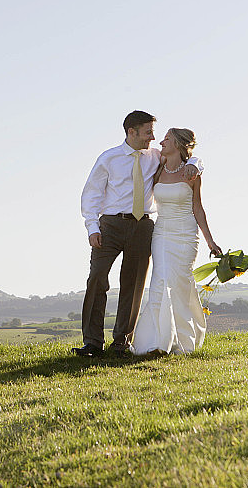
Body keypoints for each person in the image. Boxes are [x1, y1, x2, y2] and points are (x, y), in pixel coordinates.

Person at [75, 111, 204, 357]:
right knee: (97, 278)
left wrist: (195, 163)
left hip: (143, 226)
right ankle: (92, 343)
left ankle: (122, 343)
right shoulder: (108, 158)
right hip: (110, 226)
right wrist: (92, 227)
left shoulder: (156, 157)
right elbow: (91, 194)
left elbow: (189, 157)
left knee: (133, 285)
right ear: (131, 132)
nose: (153, 138)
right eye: (148, 132)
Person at [131, 128, 221, 355]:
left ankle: (182, 341)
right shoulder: (158, 166)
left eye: (167, 139)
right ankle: (156, 343)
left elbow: (198, 208)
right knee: (160, 281)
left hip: (186, 234)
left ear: (179, 144)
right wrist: (197, 160)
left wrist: (211, 242)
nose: (161, 141)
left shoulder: (192, 173)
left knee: (180, 284)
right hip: (161, 233)